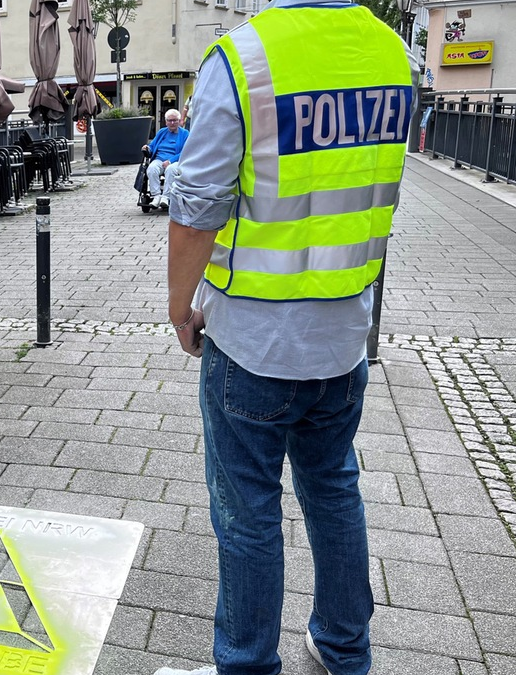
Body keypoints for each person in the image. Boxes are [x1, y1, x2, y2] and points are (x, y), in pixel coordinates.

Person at [153, 1, 415, 674]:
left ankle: (247, 665)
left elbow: (198, 205)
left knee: (248, 514)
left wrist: (181, 309)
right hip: (345, 335)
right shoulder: (392, 52)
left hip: (254, 339)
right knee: (333, 490)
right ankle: (345, 649)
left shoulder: (244, 58)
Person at [143, 109, 189, 209]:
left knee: (171, 169)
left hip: (177, 161)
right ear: (166, 121)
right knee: (152, 168)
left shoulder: (185, 134)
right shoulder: (162, 132)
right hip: (159, 159)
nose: (172, 123)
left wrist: (170, 161)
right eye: (169, 120)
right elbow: (152, 145)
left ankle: (166, 197)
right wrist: (147, 148)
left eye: (175, 120)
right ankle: (156, 196)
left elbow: (186, 152)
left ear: (179, 121)